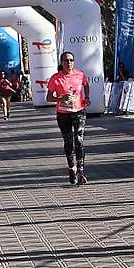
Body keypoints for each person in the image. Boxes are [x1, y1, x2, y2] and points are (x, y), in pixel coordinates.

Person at [46, 51, 92, 186]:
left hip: (79, 111)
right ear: (61, 63)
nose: (69, 63)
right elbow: (48, 98)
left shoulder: (80, 74)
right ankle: (72, 168)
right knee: (68, 142)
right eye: (66, 60)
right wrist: (61, 98)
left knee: (79, 140)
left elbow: (86, 85)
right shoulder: (56, 78)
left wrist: (87, 98)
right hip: (63, 114)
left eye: (71, 60)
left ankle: (81, 171)